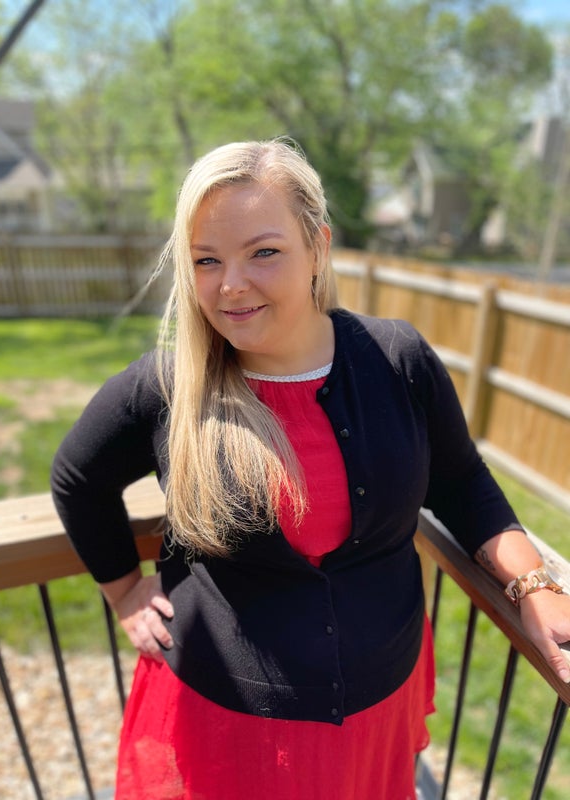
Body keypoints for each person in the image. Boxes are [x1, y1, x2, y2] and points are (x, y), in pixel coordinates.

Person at [51, 138, 570, 800]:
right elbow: (77, 479)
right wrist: (124, 591)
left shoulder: (398, 361)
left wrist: (534, 586)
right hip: (225, 722)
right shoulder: (166, 387)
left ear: (317, 247)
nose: (231, 284)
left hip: (380, 704)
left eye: (263, 252)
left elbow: (463, 483)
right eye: (207, 260)